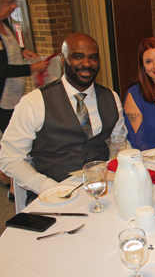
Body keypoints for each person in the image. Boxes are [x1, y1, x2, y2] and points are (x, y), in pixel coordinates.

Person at [0, 33, 127, 204]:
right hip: (54, 197)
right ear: (62, 59)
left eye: (93, 57)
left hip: (104, 193)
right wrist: (48, 187)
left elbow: (119, 144)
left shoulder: (111, 98)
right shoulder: (34, 102)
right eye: (77, 56)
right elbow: (10, 158)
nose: (87, 64)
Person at [0, 0, 49, 201]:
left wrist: (22, 51)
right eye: (8, 2)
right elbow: (1, 67)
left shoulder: (4, 24)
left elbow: (7, 50)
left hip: (12, 94)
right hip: (2, 99)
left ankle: (11, 182)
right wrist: (32, 68)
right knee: (16, 145)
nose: (12, 7)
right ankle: (14, 190)